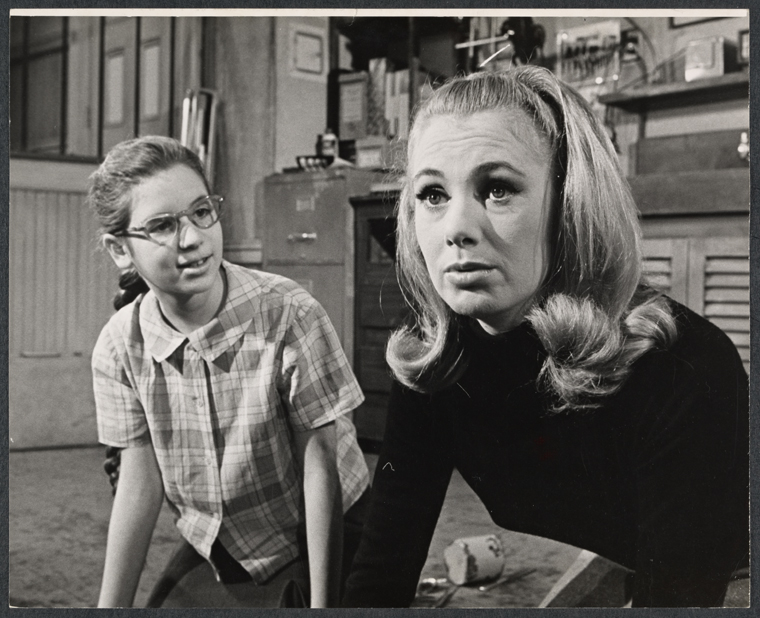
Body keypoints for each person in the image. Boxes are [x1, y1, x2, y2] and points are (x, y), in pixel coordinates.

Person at [341, 66, 749, 608]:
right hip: (610, 564)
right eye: (433, 194)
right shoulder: (436, 356)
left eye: (498, 189)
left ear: (570, 205)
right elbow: (383, 568)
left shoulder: (685, 370)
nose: (456, 227)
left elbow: (684, 593)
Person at [88, 136, 369, 608]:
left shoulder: (290, 313)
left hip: (322, 525)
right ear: (120, 250)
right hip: (220, 541)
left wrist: (324, 605)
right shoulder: (119, 345)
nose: (193, 238)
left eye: (202, 212)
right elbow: (140, 481)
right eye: (162, 225)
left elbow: (320, 467)